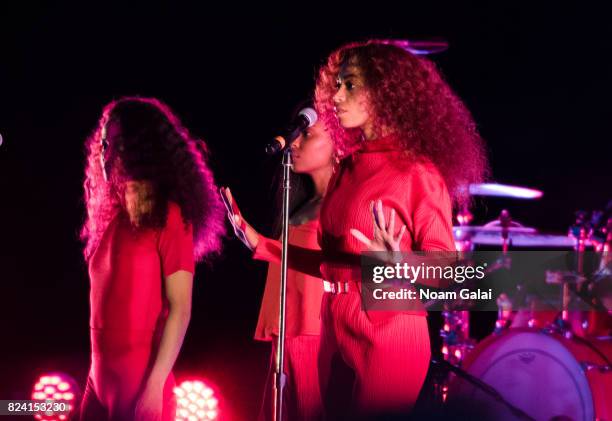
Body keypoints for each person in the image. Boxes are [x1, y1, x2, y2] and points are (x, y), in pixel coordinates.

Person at [227, 41, 488, 419]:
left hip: (389, 328)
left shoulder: (416, 172)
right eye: (336, 85)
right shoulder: (347, 168)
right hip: (334, 325)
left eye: (350, 85)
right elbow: (334, 264)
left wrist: (399, 263)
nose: (336, 96)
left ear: (386, 92)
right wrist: (262, 245)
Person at [79, 97, 225, 421]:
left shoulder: (170, 217)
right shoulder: (111, 219)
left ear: (140, 148)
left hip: (139, 386)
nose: (106, 152)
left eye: (116, 143)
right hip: (98, 382)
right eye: (103, 143)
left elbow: (181, 309)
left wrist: (155, 385)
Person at [221, 104, 338, 420]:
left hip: (314, 330)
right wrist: (254, 237)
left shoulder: (343, 204)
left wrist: (263, 244)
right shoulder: (302, 202)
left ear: (338, 143)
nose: (295, 143)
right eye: (297, 134)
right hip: (286, 328)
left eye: (308, 135)